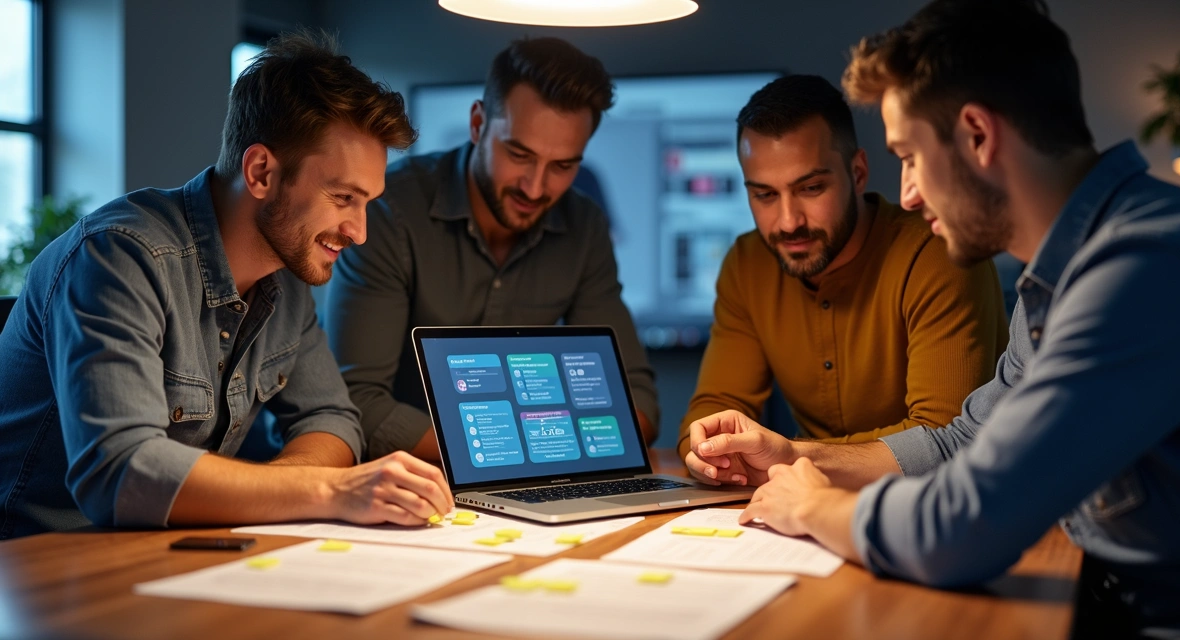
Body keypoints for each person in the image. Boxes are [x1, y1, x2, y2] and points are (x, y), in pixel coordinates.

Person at [687, 1, 1180, 635]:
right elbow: (959, 443)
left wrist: (816, 508)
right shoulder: (1058, 274)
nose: (906, 193)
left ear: (978, 136)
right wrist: (795, 454)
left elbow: (965, 526)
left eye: (909, 155)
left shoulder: (1141, 268)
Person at [0, 30, 453, 539]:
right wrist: (329, 491)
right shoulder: (120, 256)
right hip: (40, 564)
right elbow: (120, 471)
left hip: (176, 550)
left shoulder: (284, 276)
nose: (359, 232)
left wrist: (275, 487)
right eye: (343, 197)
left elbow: (332, 419)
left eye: (367, 202)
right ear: (260, 171)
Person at [326, 37, 659, 462]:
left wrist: (528, 461)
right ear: (479, 124)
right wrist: (512, 457)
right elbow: (357, 401)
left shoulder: (584, 226)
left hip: (533, 476)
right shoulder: (389, 211)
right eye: (519, 154)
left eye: (562, 166)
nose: (536, 187)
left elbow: (637, 398)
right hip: (408, 481)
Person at [677, 75, 1007, 469]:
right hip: (813, 504)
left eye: (811, 188)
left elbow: (943, 442)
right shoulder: (748, 264)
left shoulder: (938, 253)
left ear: (858, 172)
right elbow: (713, 409)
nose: (788, 221)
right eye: (764, 195)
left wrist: (790, 458)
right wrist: (705, 451)